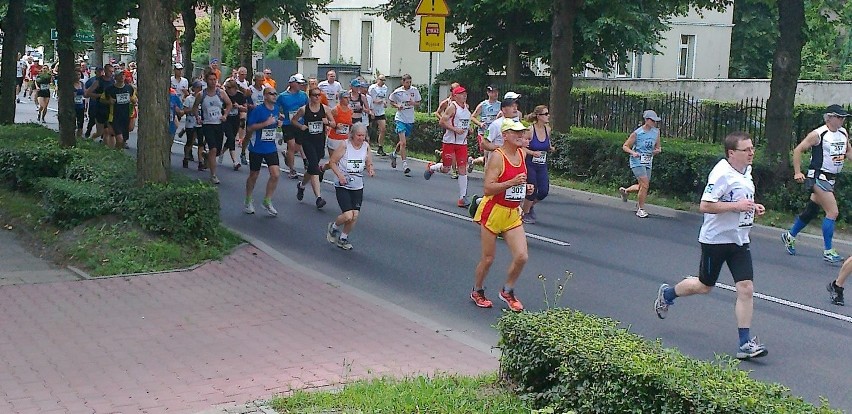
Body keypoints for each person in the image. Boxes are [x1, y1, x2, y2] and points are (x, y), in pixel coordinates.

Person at [654, 131, 768, 360]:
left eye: (752, 148)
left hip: (739, 240)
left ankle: (745, 343)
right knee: (705, 286)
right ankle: (667, 294)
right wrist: (737, 206)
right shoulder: (721, 174)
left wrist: (753, 207)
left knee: (746, 288)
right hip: (715, 240)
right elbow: (705, 206)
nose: (751, 153)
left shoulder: (747, 171)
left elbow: (741, 199)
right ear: (731, 153)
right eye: (746, 150)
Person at [470, 119, 534, 312]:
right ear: (505, 135)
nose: (521, 136)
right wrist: (512, 182)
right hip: (493, 211)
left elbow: (518, 183)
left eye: (522, 133)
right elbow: (488, 188)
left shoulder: (522, 153)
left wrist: (525, 188)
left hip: (512, 212)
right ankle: (477, 290)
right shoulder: (497, 157)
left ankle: (507, 290)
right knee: (488, 258)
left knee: (522, 256)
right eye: (516, 133)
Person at [781, 104, 851, 264]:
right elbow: (798, 150)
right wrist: (798, 172)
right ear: (829, 117)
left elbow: (848, 151)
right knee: (832, 212)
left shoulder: (843, 133)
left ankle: (789, 235)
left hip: (832, 178)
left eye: (843, 118)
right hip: (818, 177)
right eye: (839, 117)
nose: (842, 120)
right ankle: (828, 251)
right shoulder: (819, 134)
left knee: (811, 211)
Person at [326, 123, 376, 250]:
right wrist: (340, 176)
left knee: (355, 216)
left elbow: (369, 162)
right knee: (348, 215)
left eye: (363, 136)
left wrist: (370, 169)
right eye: (358, 135)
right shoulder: (345, 145)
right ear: (352, 135)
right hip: (343, 184)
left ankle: (343, 238)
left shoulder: (366, 147)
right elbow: (332, 162)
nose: (361, 138)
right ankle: (334, 227)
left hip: (357, 185)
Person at [425, 85, 473, 207]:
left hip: (462, 143)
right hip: (450, 141)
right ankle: (432, 167)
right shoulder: (452, 108)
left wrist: (469, 129)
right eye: (461, 94)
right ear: (455, 96)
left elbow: (466, 122)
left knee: (462, 168)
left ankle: (462, 198)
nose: (464, 95)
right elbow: (442, 121)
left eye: (465, 93)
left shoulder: (466, 108)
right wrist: (454, 129)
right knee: (446, 169)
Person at [291, 86, 336, 209]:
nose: (317, 97)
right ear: (310, 97)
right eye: (315, 95)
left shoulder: (325, 109)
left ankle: (301, 185)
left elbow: (334, 123)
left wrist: (328, 123)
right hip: (308, 141)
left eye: (319, 95)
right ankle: (318, 198)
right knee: (314, 167)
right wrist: (301, 127)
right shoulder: (304, 109)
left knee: (312, 168)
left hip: (320, 141)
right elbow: (293, 120)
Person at [244, 86, 284, 217]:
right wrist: (265, 123)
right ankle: (248, 200)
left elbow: (274, 122)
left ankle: (267, 200)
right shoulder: (258, 110)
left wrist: (278, 123)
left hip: (270, 147)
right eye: (271, 94)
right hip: (257, 147)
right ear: (265, 96)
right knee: (254, 175)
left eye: (275, 93)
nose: (274, 96)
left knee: (276, 174)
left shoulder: (277, 108)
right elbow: (250, 127)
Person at [619, 109, 662, 219]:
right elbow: (625, 146)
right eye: (652, 120)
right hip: (637, 161)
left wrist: (657, 151)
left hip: (647, 160)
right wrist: (633, 153)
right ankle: (640, 209)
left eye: (655, 121)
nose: (654, 123)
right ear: (646, 120)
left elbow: (658, 147)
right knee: (645, 185)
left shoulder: (656, 132)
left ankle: (626, 191)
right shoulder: (637, 133)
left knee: (643, 186)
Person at [192, 70, 233, 184]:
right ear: (206, 80)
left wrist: (225, 115)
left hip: (219, 124)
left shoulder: (221, 93)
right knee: (213, 148)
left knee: (217, 150)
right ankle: (213, 175)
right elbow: (195, 107)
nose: (213, 82)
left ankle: (207, 156)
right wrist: (198, 118)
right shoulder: (202, 94)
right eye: (211, 79)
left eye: (215, 80)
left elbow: (229, 104)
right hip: (207, 124)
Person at [521, 106, 555, 224]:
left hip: (542, 165)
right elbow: (521, 147)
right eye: (545, 114)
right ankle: (523, 214)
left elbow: (547, 144)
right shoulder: (530, 130)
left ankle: (528, 206)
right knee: (532, 190)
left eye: (548, 114)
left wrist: (550, 148)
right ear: (539, 116)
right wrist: (532, 153)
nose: (548, 116)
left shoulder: (548, 129)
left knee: (544, 191)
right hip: (530, 164)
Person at [277, 73, 309, 179]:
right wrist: (279, 116)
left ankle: (287, 154)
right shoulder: (282, 96)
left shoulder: (303, 95)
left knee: (297, 147)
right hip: (288, 124)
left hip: (300, 123)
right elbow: (275, 107)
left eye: (301, 83)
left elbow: (308, 107)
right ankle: (292, 169)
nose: (300, 85)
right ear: (292, 83)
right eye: (298, 83)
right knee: (291, 145)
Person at [388, 74, 421, 176]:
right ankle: (405, 165)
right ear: (403, 82)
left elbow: (419, 103)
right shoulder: (398, 92)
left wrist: (413, 103)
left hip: (409, 119)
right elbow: (391, 101)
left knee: (402, 142)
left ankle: (394, 154)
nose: (409, 84)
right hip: (400, 118)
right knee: (403, 143)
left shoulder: (414, 90)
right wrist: (397, 105)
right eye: (407, 82)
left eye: (410, 82)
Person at [469, 85, 502, 169]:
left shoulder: (500, 105)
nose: (495, 94)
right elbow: (473, 117)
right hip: (485, 132)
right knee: (487, 154)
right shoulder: (483, 105)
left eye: (496, 92)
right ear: (488, 93)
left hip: (496, 133)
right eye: (493, 92)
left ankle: (473, 161)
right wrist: (480, 124)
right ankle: (487, 176)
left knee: (492, 154)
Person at [104, 70, 136, 149]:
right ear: (115, 77)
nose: (122, 77)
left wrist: (134, 100)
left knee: (123, 140)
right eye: (119, 75)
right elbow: (102, 99)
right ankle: (116, 155)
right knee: (119, 139)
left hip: (126, 116)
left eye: (123, 75)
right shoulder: (110, 89)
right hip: (114, 116)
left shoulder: (129, 88)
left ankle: (117, 154)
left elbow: (134, 99)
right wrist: (109, 101)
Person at [222, 79, 247, 169]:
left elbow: (246, 108)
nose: (227, 89)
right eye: (226, 87)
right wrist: (225, 110)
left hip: (235, 119)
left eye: (229, 88)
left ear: (234, 88)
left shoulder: (239, 95)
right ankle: (235, 161)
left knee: (231, 138)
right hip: (226, 119)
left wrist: (238, 106)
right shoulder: (224, 94)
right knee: (231, 137)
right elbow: (219, 107)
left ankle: (221, 153)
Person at [182, 81, 205, 170]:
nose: (199, 90)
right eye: (198, 88)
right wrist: (192, 110)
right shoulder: (189, 99)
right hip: (190, 122)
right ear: (194, 89)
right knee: (189, 141)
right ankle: (186, 157)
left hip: (199, 123)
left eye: (201, 88)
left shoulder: (202, 99)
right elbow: (185, 110)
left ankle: (200, 161)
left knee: (201, 143)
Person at [368, 75, 389, 155]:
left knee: (383, 128)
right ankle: (367, 147)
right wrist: (376, 101)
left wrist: (384, 102)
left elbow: (384, 98)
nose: (383, 81)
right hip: (372, 110)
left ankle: (380, 147)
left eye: (384, 80)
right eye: (381, 80)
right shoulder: (372, 88)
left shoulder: (385, 88)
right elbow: (369, 98)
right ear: (377, 80)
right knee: (368, 129)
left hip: (380, 111)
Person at [73, 68, 86, 137]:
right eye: (76, 75)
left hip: (80, 105)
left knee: (80, 123)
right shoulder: (70, 84)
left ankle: (79, 138)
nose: (77, 76)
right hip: (72, 106)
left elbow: (85, 94)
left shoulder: (82, 83)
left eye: (79, 75)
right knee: (72, 124)